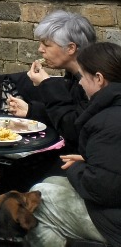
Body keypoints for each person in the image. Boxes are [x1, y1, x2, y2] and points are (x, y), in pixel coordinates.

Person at [23, 41, 121, 247]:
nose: (81, 83)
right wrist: (87, 160)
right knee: (50, 182)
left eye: (84, 77)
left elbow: (100, 188)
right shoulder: (112, 109)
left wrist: (79, 167)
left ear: (99, 79)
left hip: (114, 222)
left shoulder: (109, 120)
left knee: (37, 203)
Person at [5, 9, 96, 147]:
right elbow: (70, 112)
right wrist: (31, 110)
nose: (40, 49)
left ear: (71, 48)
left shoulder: (93, 82)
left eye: (47, 44)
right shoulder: (73, 76)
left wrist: (47, 84)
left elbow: (73, 129)